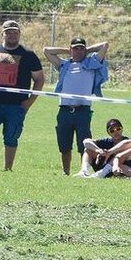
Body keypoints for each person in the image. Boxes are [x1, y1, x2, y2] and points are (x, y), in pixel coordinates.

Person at [43, 36, 109, 175]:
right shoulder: (64, 65)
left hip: (82, 111)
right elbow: (46, 51)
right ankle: (65, 172)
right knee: (64, 144)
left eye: (81, 48)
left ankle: (83, 170)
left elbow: (105, 45)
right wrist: (67, 51)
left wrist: (87, 50)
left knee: (84, 143)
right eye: (75, 48)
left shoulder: (92, 63)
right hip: (64, 110)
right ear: (71, 50)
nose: (78, 51)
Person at [0, 19, 45, 171]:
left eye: (15, 32)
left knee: (11, 137)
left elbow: (39, 79)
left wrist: (30, 101)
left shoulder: (29, 55)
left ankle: (7, 169)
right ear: (2, 34)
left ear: (19, 34)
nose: (12, 35)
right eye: (8, 32)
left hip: (16, 106)